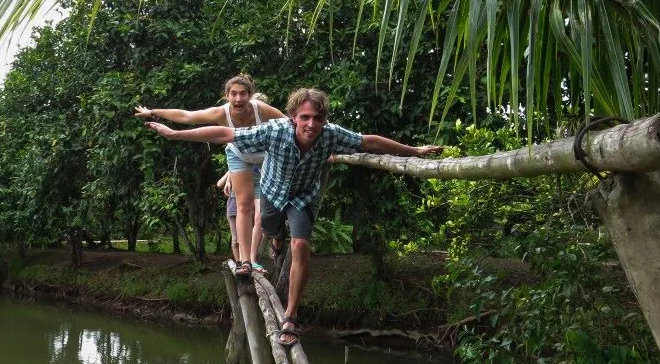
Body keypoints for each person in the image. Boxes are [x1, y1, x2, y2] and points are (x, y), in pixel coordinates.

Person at [141, 88, 443, 346]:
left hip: (302, 198)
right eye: (305, 117)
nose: (311, 124)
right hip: (272, 193)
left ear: (324, 119)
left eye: (318, 118)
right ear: (293, 117)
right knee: (273, 229)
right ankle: (275, 240)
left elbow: (370, 141)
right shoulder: (275, 130)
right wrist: (176, 134)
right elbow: (225, 133)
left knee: (301, 245)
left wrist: (413, 151)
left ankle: (290, 317)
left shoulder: (331, 135)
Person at [134, 75, 286, 276]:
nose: (238, 99)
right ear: (226, 96)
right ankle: (245, 261)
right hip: (239, 155)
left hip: (266, 156)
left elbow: (291, 124)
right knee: (244, 205)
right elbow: (188, 116)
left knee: (267, 212)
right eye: (234, 94)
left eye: (243, 94)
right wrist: (153, 112)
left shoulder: (261, 109)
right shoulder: (220, 113)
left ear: (250, 95)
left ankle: (276, 240)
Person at [216, 171, 240, 261]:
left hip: (246, 208)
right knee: (235, 239)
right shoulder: (232, 170)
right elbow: (219, 184)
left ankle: (246, 261)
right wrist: (229, 174)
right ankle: (238, 262)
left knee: (243, 239)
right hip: (232, 207)